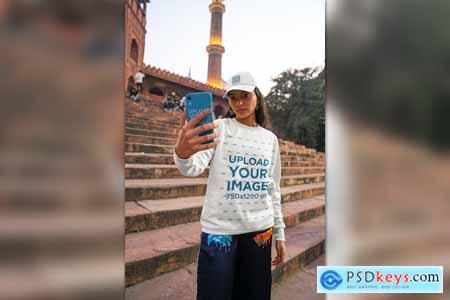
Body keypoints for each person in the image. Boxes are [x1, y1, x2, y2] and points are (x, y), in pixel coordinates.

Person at [173, 72, 287, 300]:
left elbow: (273, 189)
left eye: (245, 96)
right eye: (233, 98)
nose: (239, 103)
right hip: (220, 232)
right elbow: (192, 167)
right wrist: (182, 152)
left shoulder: (269, 139)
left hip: (260, 231)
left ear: (257, 97)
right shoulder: (219, 128)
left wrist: (280, 233)